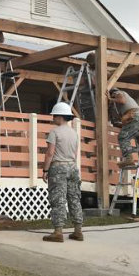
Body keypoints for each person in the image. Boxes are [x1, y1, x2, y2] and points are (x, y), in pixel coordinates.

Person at [42, 102, 84, 242]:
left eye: (54, 115)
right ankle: (78, 231)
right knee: (74, 198)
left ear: (60, 116)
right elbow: (75, 154)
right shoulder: (74, 133)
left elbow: (50, 153)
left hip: (58, 168)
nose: (53, 118)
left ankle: (58, 232)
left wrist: (45, 170)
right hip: (72, 167)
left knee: (58, 199)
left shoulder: (54, 132)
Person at [108, 88, 139, 168]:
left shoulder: (117, 93)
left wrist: (110, 99)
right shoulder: (123, 102)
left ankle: (128, 158)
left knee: (123, 136)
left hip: (134, 116)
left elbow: (122, 100)